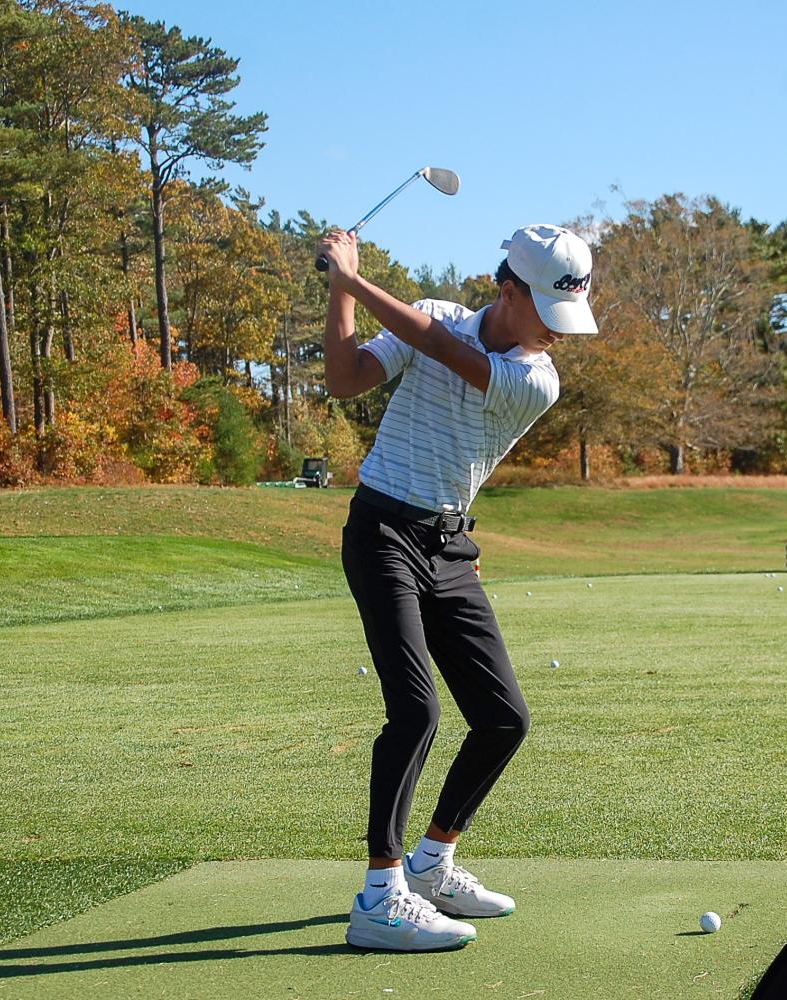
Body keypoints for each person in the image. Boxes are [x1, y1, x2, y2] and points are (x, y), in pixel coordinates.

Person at [316, 223, 598, 952]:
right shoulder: (433, 316)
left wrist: (354, 279)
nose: (559, 335)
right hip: (381, 532)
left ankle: (433, 860)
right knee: (415, 714)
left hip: (450, 547)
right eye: (548, 314)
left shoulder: (538, 378)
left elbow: (446, 352)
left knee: (505, 719)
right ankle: (380, 895)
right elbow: (345, 380)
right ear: (507, 291)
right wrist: (338, 298)